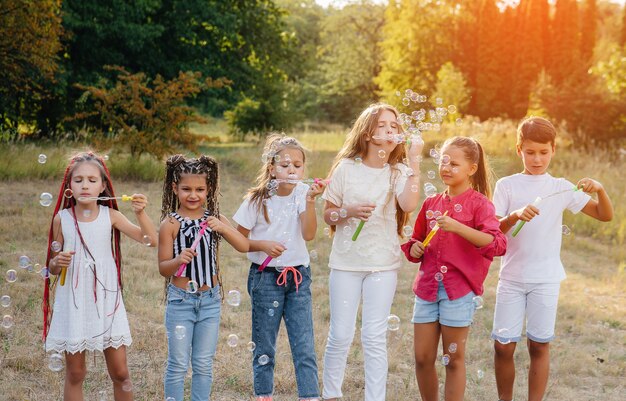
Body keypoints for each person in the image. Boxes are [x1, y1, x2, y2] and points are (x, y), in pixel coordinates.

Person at [491, 117, 613, 401]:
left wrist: (600, 189)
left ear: (553, 150)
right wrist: (514, 215)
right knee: (503, 346)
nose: (537, 159)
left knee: (539, 345)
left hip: (545, 279)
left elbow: (604, 215)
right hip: (511, 277)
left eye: (544, 152)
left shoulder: (561, 186)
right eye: (530, 152)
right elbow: (493, 229)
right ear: (518, 149)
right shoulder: (507, 186)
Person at [321, 103, 423, 401]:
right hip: (346, 264)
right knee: (340, 334)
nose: (391, 130)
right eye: (383, 125)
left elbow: (408, 205)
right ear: (367, 133)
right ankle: (331, 395)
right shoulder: (346, 168)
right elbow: (328, 215)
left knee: (374, 337)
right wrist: (347, 211)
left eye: (395, 126)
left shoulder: (400, 172)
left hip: (383, 265)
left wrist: (415, 161)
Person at [43, 151, 158, 401]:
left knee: (121, 372)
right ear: (69, 186)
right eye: (79, 180)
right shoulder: (61, 219)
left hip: (106, 301)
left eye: (92, 180)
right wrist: (56, 261)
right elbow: (52, 268)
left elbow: (150, 240)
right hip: (74, 301)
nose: (85, 185)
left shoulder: (111, 215)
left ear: (104, 186)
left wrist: (140, 213)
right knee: (75, 373)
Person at [401, 136, 507, 401]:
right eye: (443, 161)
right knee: (423, 357)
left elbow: (497, 244)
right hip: (427, 290)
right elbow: (416, 239)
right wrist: (415, 248)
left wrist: (460, 228)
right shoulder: (431, 203)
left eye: (454, 164)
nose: (446, 168)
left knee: (453, 358)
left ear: (472, 169)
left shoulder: (481, 205)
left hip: (458, 292)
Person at [233, 133, 326, 401]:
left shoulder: (301, 195)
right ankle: (264, 394)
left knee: (304, 343)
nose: (292, 170)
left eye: (298, 166)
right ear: (272, 167)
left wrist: (310, 202)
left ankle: (309, 396)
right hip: (266, 278)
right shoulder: (257, 199)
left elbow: (309, 235)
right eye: (285, 165)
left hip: (298, 278)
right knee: (264, 345)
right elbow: (239, 239)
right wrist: (262, 244)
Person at [158, 154, 248, 401]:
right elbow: (163, 268)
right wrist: (178, 261)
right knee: (177, 364)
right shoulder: (170, 224)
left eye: (200, 189)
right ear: (175, 188)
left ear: (209, 189)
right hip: (181, 301)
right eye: (186, 189)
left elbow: (243, 246)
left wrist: (224, 228)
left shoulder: (214, 219)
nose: (193, 195)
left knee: (203, 364)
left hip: (209, 301)